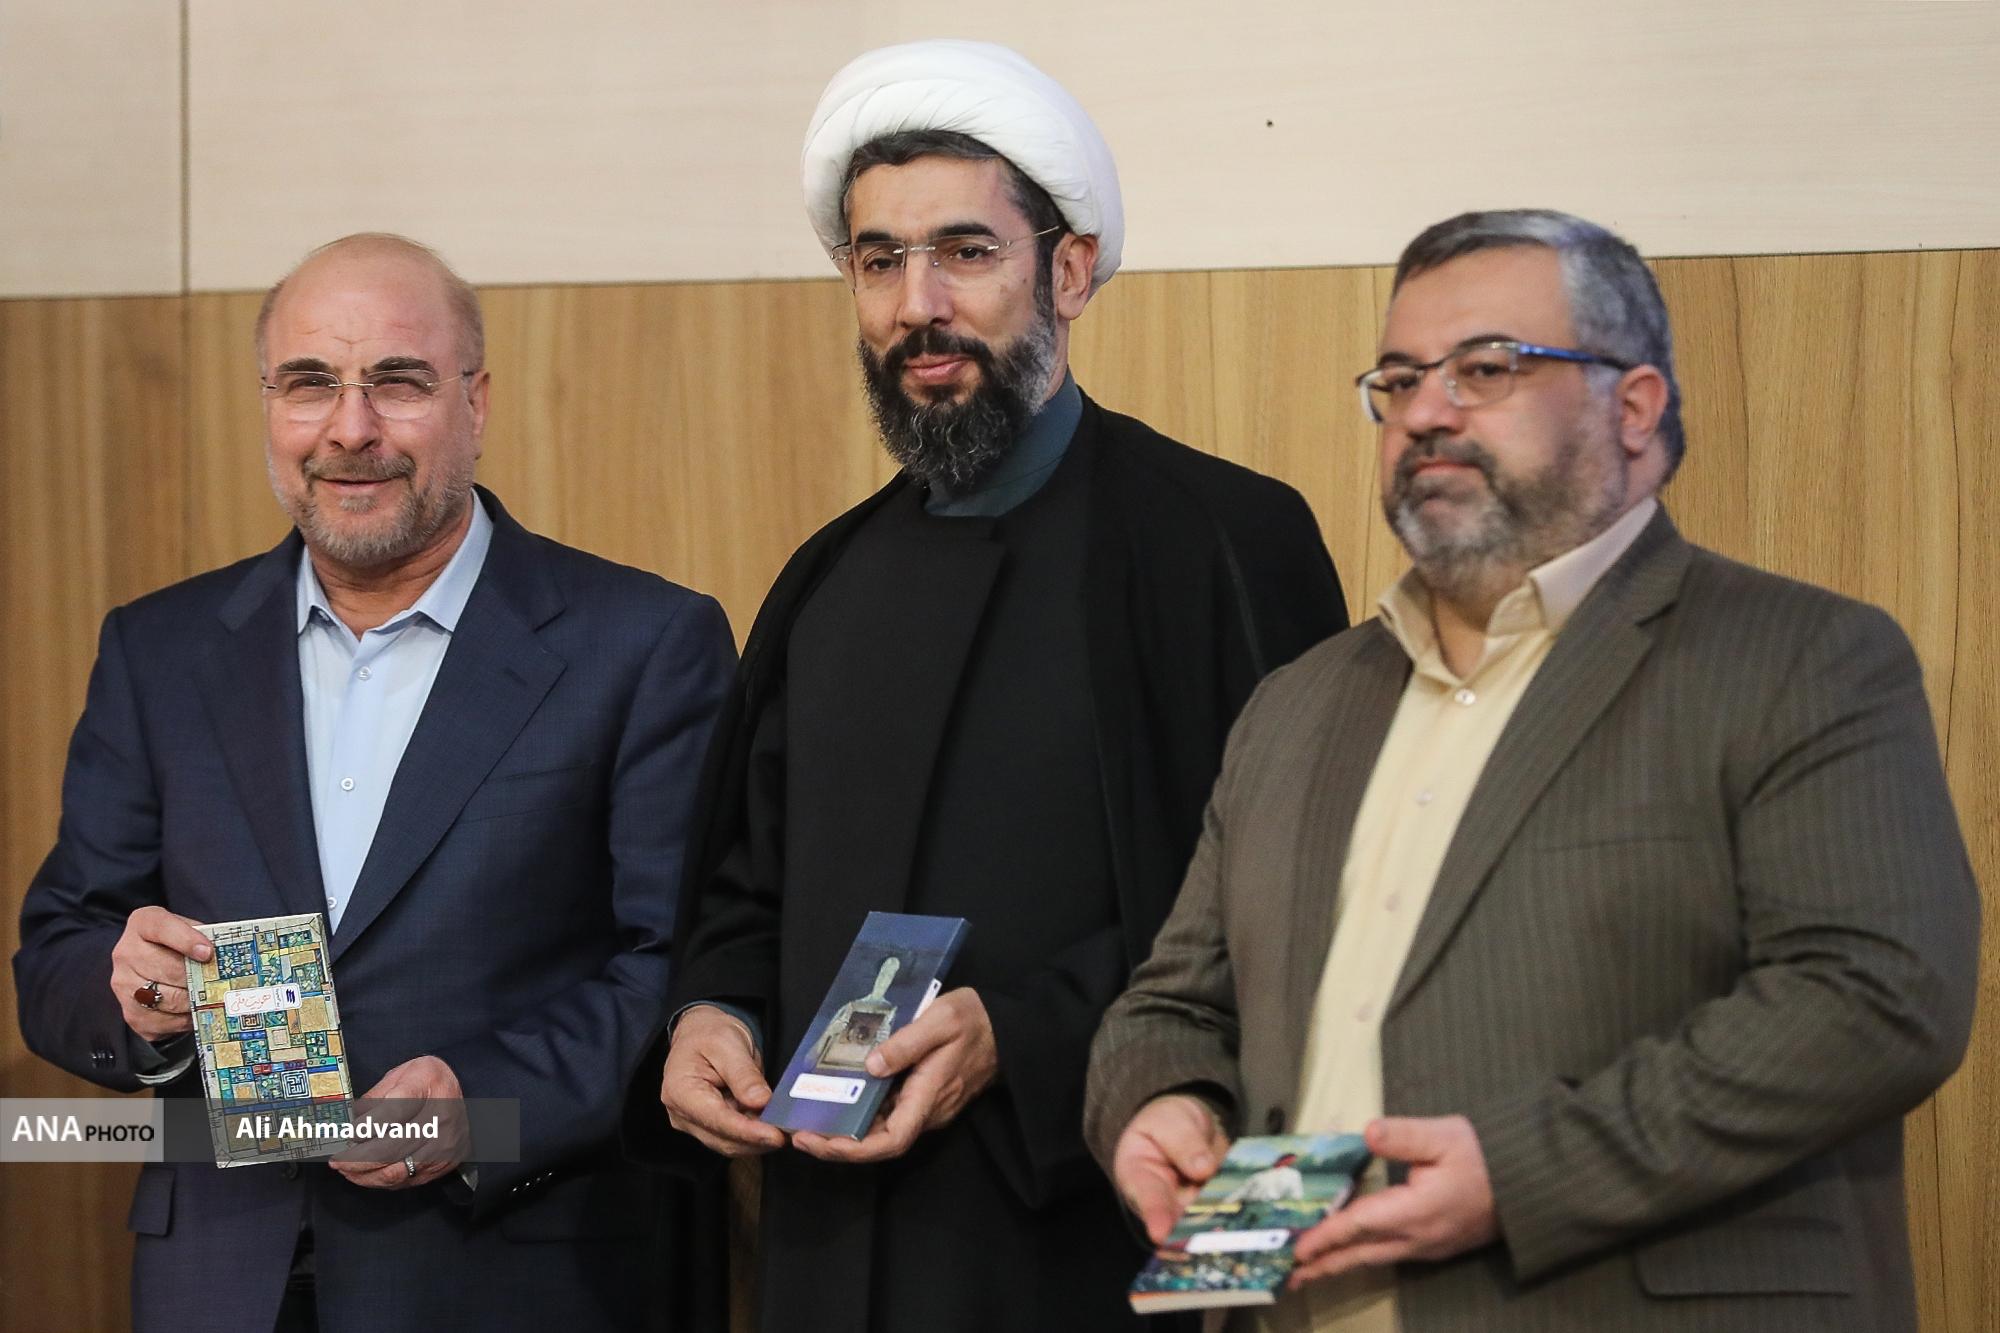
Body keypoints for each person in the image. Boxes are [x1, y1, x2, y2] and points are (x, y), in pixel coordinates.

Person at [1085, 208, 1980, 1333]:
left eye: (1486, 368)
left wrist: (1519, 1172)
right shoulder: (1296, 703)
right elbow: (1171, 1003)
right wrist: (1159, 1100)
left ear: (1633, 406)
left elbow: (1874, 997)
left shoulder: (1802, 659)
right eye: (1399, 379)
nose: (1426, 412)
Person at [629, 40, 1347, 1333]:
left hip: (1092, 1226)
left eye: (965, 252)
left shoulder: (1221, 539)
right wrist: (710, 1014)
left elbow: (1299, 907)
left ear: (1067, 271)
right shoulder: (826, 579)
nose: (918, 306)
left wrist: (1020, 1032)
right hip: (828, 1245)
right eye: (878, 261)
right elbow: (746, 885)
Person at [14, 233, 736, 1333]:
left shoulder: (642, 642)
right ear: (269, 404)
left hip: (511, 1274)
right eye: (309, 384)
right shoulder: (159, 650)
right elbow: (61, 946)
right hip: (220, 1281)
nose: (350, 429)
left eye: (397, 382)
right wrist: (136, 1001)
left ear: (475, 402)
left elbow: (680, 966)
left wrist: (483, 1105)